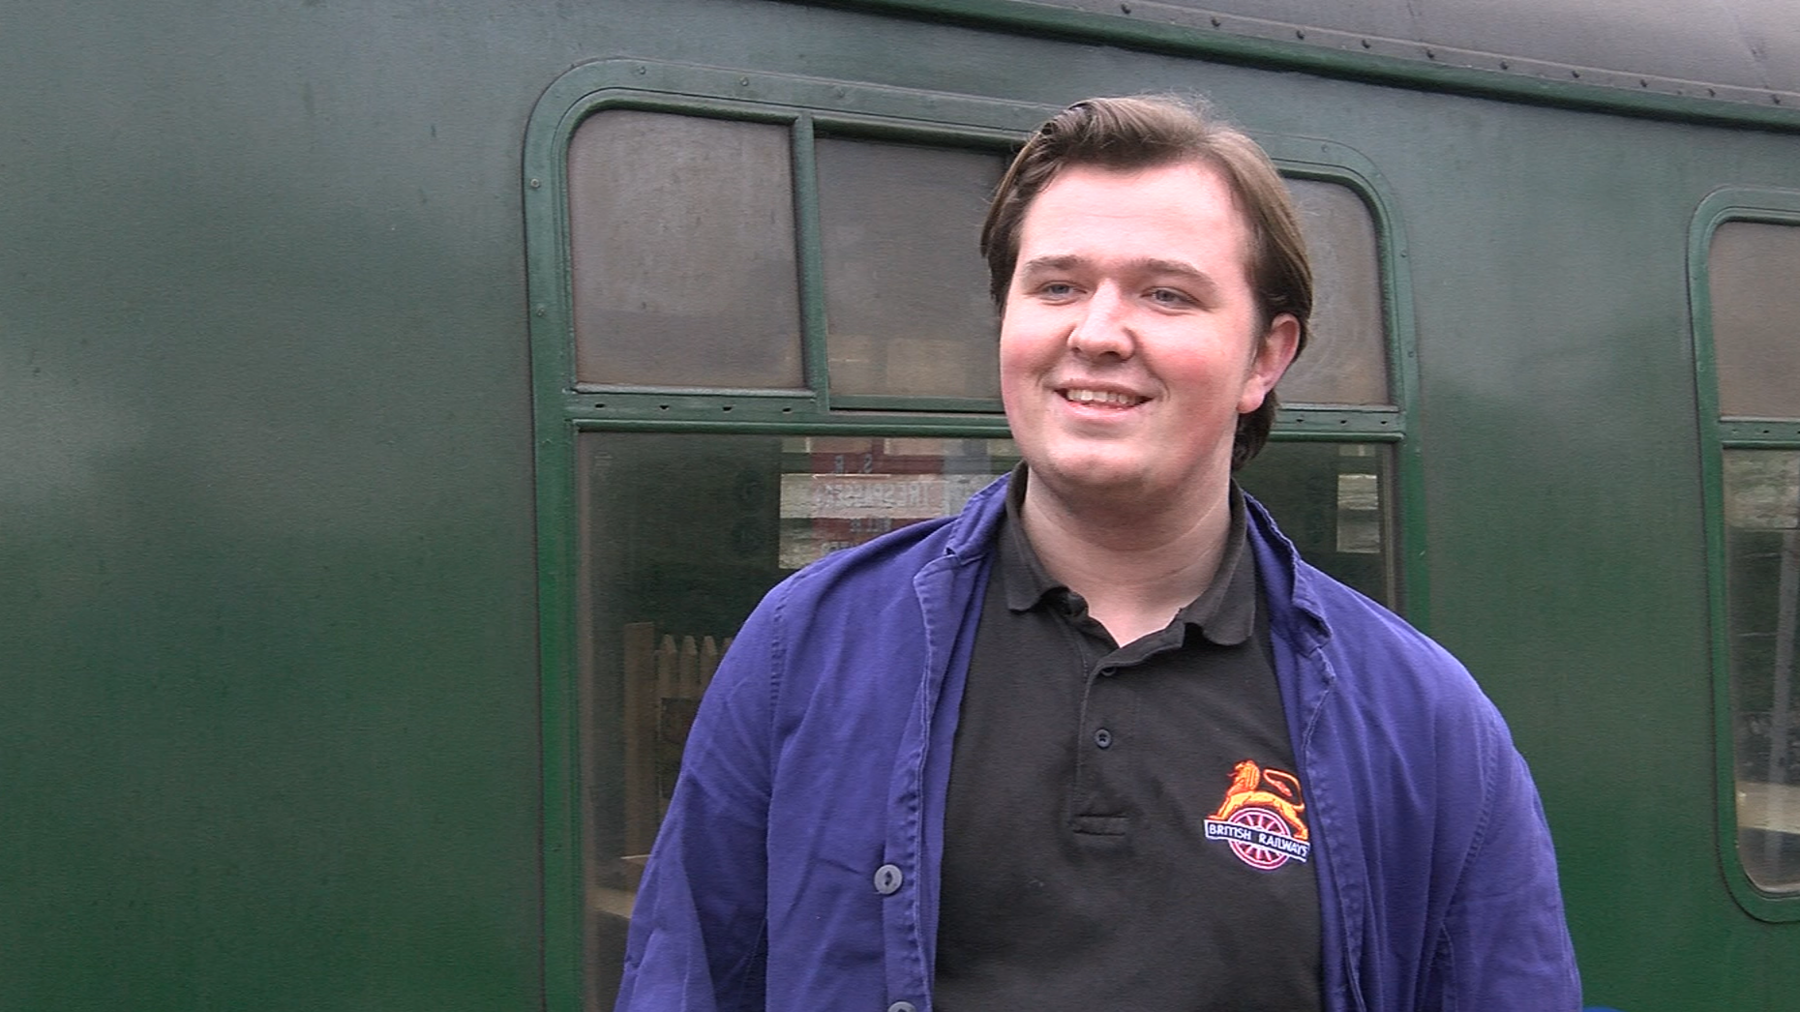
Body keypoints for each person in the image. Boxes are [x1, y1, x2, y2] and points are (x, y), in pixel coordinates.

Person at [615, 95, 1581, 1012]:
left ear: (1264, 359)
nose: (1097, 333)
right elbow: (688, 977)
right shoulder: (807, 649)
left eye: (1166, 294)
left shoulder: (1425, 721)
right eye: (1058, 286)